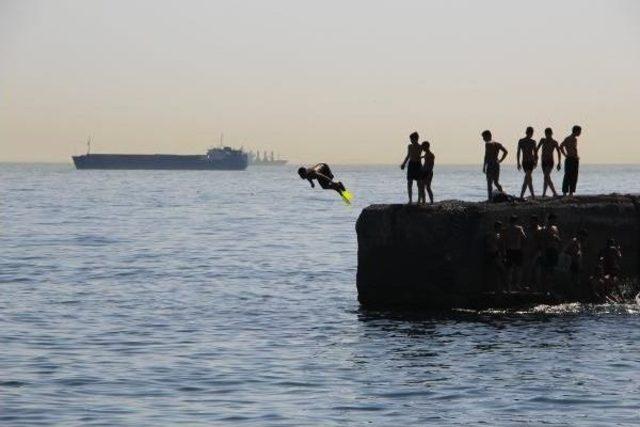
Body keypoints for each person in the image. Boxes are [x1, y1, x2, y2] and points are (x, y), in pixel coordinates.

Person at [482, 130, 508, 201]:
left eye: (484, 137)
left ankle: (490, 199)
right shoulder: (497, 144)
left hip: (490, 164)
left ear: (488, 136)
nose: (483, 139)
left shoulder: (488, 144)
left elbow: (486, 156)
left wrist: (484, 166)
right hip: (496, 164)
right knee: (496, 182)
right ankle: (503, 195)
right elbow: (506, 152)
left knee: (489, 182)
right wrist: (500, 160)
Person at [536, 128, 562, 197]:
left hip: (550, 161)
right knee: (546, 178)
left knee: (546, 176)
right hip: (543, 161)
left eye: (549, 134)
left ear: (551, 134)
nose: (547, 135)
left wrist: (559, 163)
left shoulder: (554, 142)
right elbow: (536, 149)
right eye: (546, 134)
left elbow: (559, 152)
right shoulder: (542, 140)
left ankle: (554, 193)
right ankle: (544, 193)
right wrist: (536, 158)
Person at [504, 215, 527, 291]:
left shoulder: (506, 229)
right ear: (516, 221)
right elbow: (524, 237)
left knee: (509, 270)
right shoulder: (519, 228)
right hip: (517, 250)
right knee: (518, 269)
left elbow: (503, 240)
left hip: (509, 250)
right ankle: (517, 284)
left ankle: (508, 287)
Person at [400, 132, 422, 204]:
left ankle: (419, 199)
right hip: (411, 165)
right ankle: (410, 200)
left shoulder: (420, 146)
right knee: (409, 182)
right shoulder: (410, 146)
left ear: (416, 139)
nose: (411, 141)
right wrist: (403, 164)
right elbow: (408, 156)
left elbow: (424, 154)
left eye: (412, 139)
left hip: (418, 165)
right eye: (410, 139)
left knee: (419, 183)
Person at [541, 213, 561, 293]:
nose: (554, 221)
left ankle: (550, 288)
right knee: (548, 270)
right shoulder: (546, 228)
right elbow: (548, 240)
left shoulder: (555, 227)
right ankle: (547, 289)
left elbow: (557, 238)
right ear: (550, 220)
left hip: (554, 250)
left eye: (555, 220)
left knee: (553, 270)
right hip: (549, 250)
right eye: (553, 219)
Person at [560, 125, 582, 196]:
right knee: (569, 175)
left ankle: (569, 192)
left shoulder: (569, 138)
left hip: (572, 158)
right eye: (579, 131)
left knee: (572, 175)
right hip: (570, 158)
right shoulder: (571, 139)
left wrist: (566, 155)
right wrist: (565, 155)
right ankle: (567, 192)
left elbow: (562, 146)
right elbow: (561, 146)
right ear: (576, 131)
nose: (580, 133)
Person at [517, 127, 538, 199]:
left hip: (531, 162)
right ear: (527, 132)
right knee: (528, 179)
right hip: (524, 162)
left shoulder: (533, 142)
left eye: (532, 133)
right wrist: (518, 163)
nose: (531, 134)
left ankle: (524, 196)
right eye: (530, 132)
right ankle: (531, 196)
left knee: (527, 178)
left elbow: (535, 153)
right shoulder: (521, 141)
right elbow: (518, 152)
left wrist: (536, 161)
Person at [485, 221, 506, 290]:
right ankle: (498, 287)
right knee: (500, 270)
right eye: (500, 227)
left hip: (495, 253)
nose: (500, 228)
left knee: (498, 271)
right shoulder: (492, 234)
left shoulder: (497, 234)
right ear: (497, 227)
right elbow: (489, 243)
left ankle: (498, 287)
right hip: (493, 253)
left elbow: (498, 243)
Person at [524, 215, 544, 290]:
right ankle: (529, 286)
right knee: (529, 269)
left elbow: (540, 243)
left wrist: (537, 252)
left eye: (533, 221)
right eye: (531, 221)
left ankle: (536, 286)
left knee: (536, 270)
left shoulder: (539, 230)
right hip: (529, 252)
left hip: (537, 253)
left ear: (536, 221)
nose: (531, 222)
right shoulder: (528, 229)